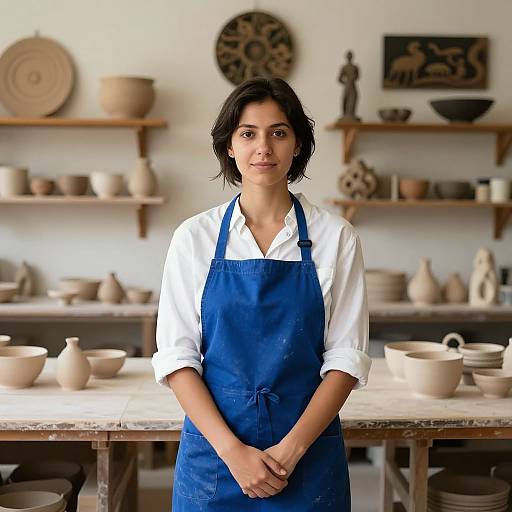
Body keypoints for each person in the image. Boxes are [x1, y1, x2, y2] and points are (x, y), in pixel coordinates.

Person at [152, 77, 371, 510]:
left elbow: (346, 360)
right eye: (248, 133)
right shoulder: (194, 237)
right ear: (230, 146)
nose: (263, 147)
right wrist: (233, 453)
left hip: (305, 456)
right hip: (215, 459)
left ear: (298, 146)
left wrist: (289, 452)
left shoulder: (336, 237)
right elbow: (177, 357)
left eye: (279, 132)